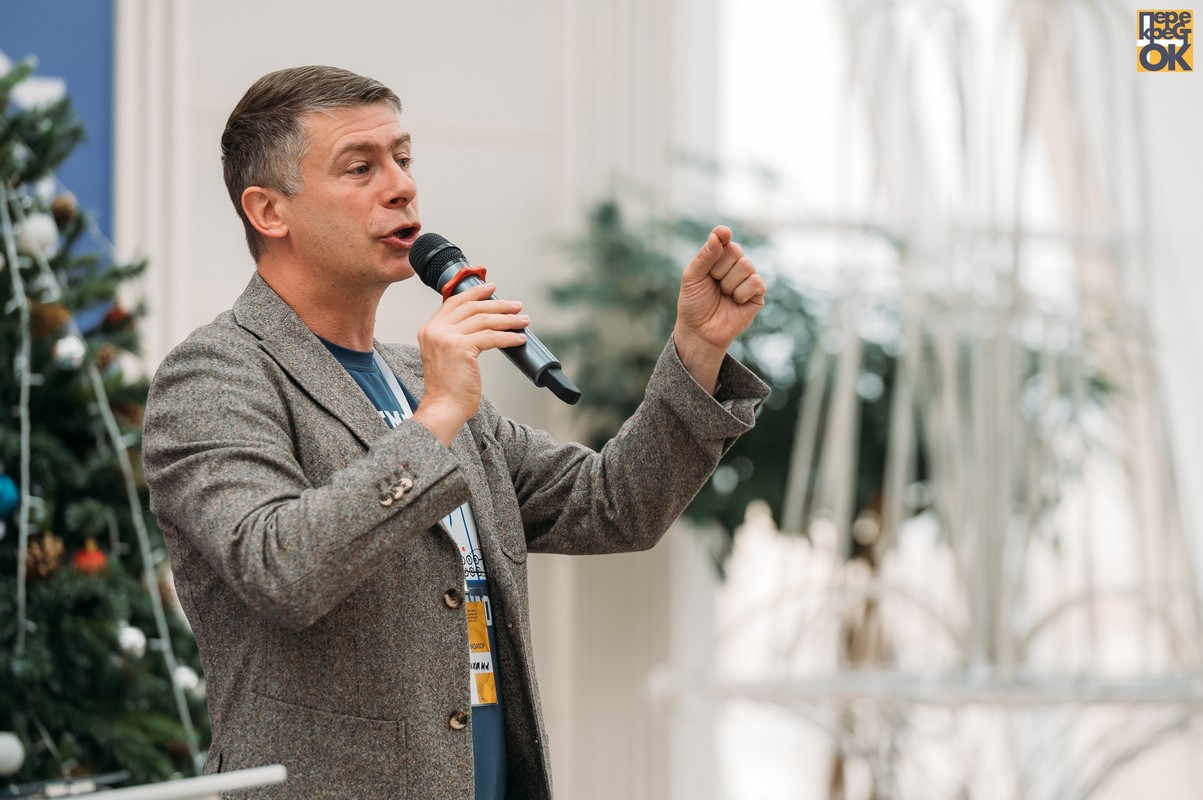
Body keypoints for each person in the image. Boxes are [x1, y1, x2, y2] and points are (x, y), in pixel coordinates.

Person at [142, 65, 769, 800]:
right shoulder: (215, 376)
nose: (401, 186)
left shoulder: (420, 378)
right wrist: (436, 416)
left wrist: (697, 350)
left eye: (403, 158)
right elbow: (279, 567)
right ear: (269, 211)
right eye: (360, 167)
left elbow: (615, 504)